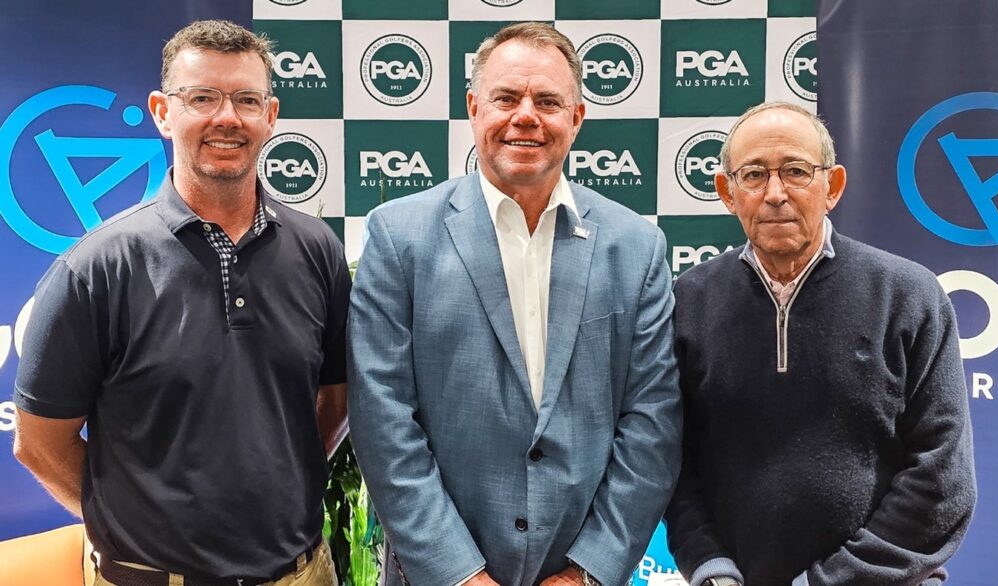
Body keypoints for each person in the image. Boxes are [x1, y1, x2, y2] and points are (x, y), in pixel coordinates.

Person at [12, 20, 349, 586]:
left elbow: (334, 403)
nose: (226, 117)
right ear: (163, 112)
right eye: (202, 98)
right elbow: (40, 444)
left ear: (271, 115)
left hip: (301, 574)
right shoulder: (97, 267)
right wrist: (129, 526)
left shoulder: (317, 250)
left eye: (246, 99)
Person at [347, 22, 682, 586]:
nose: (525, 115)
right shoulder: (397, 235)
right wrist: (458, 573)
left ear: (576, 118)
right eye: (506, 97)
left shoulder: (637, 246)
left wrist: (588, 571)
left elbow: (653, 420)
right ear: (475, 108)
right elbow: (382, 420)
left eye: (548, 101)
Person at [666, 102, 977, 586]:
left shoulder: (909, 295)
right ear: (727, 192)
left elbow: (942, 478)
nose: (774, 194)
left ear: (831, 187)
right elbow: (675, 461)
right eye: (753, 175)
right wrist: (710, 567)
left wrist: (827, 582)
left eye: (795, 171)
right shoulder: (689, 299)